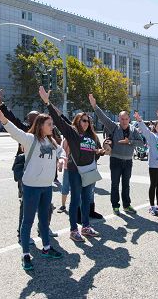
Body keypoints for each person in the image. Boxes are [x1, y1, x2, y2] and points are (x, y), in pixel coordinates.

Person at [0, 107, 65, 270]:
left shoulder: (51, 141)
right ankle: (25, 255)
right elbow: (15, 132)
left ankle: (46, 248)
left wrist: (61, 160)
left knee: (44, 220)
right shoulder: (30, 139)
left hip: (47, 187)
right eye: (49, 124)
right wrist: (3, 119)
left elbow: (62, 151)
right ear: (40, 125)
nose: (52, 127)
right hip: (31, 187)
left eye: (52, 124)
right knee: (28, 221)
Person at [0, 86, 57, 242]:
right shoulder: (25, 132)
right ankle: (22, 232)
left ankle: (43, 227)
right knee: (26, 203)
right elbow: (10, 120)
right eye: (32, 118)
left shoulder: (48, 135)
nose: (33, 120)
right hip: (25, 172)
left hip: (44, 177)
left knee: (47, 204)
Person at [41, 87, 105, 241]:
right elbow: (58, 120)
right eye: (84, 120)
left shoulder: (92, 135)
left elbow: (96, 151)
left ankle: (86, 227)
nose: (87, 123)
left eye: (88, 121)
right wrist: (47, 103)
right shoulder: (72, 132)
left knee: (86, 200)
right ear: (78, 121)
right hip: (75, 171)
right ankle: (73, 230)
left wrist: (100, 151)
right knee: (75, 199)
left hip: (89, 171)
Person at [89, 94, 144, 215]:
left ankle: (127, 205)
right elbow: (103, 118)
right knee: (115, 184)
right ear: (119, 119)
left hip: (128, 161)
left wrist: (129, 141)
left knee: (126, 185)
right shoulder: (114, 127)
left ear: (129, 119)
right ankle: (115, 206)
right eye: (122, 119)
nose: (124, 121)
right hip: (115, 160)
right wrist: (94, 106)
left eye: (126, 119)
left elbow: (141, 143)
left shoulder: (133, 130)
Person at [134, 111, 158, 216]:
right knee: (153, 185)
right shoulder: (152, 136)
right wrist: (139, 120)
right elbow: (145, 130)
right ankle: (152, 206)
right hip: (153, 165)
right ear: (155, 127)